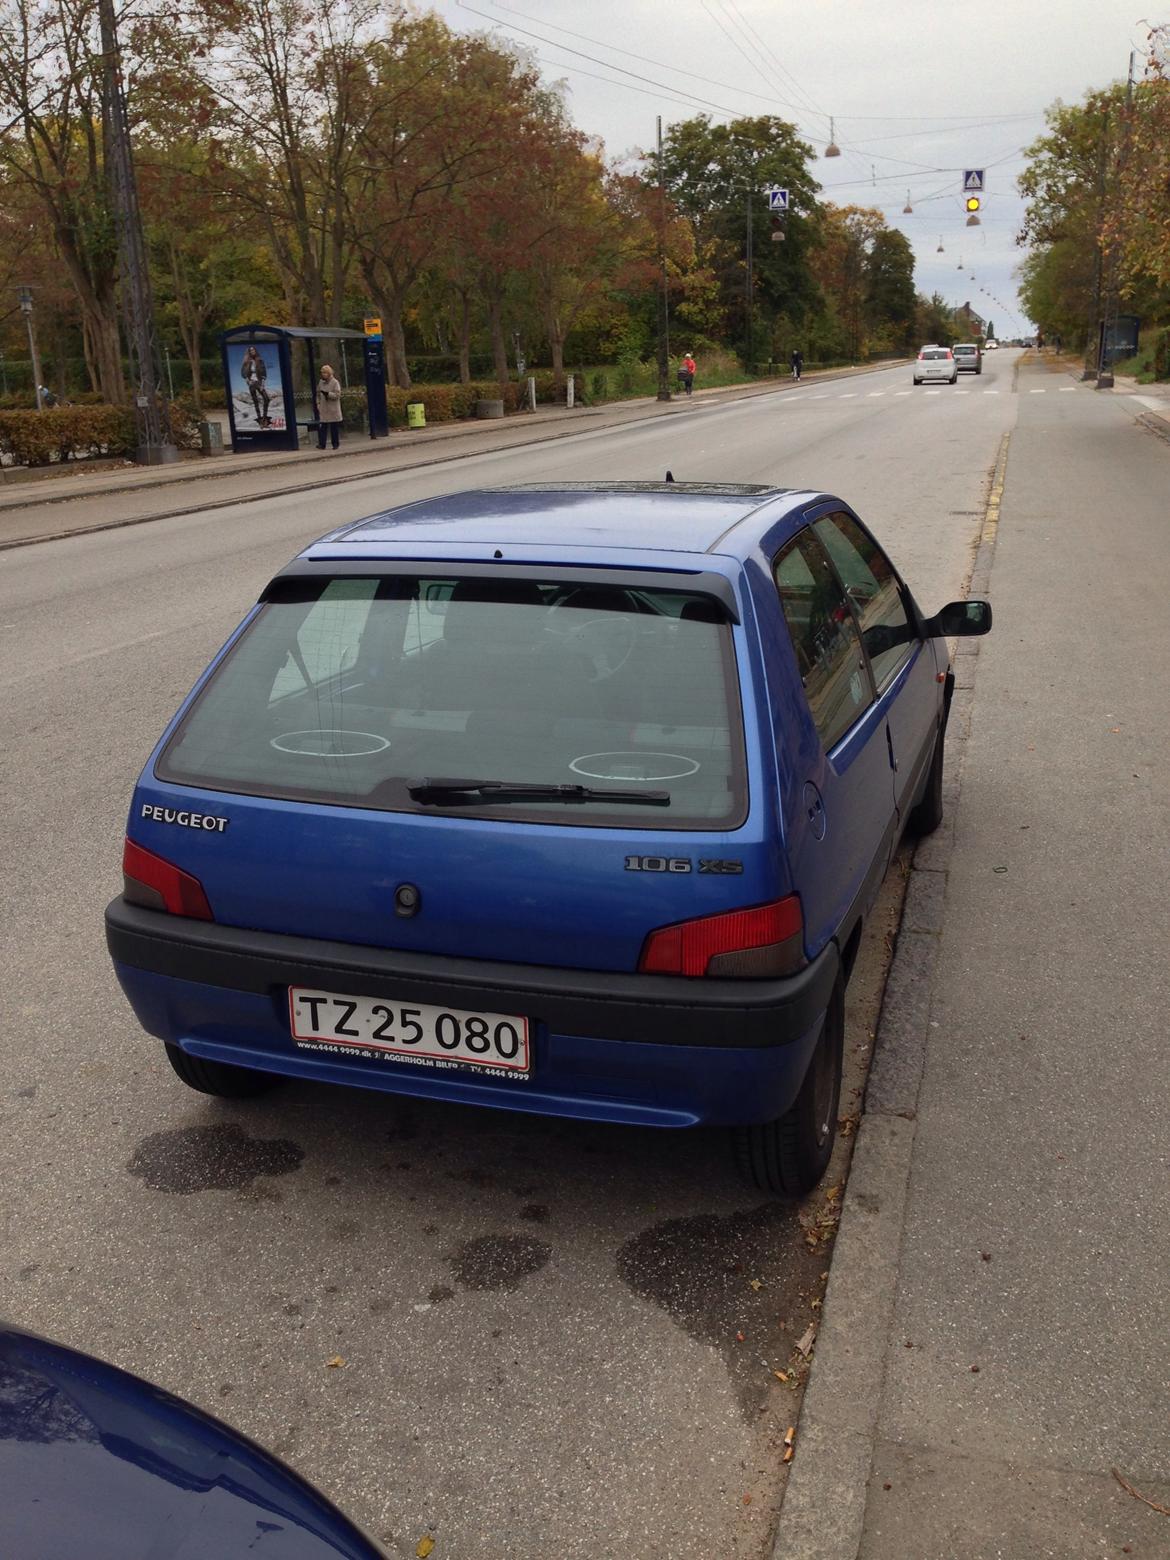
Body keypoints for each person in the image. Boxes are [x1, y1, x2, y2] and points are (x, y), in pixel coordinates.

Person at [241, 345, 270, 428]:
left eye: (253, 350)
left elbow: (264, 372)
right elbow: (242, 372)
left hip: (259, 382)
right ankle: (260, 420)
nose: (252, 351)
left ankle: (264, 419)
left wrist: (263, 384)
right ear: (249, 352)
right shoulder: (246, 361)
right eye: (250, 350)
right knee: (255, 401)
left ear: (255, 351)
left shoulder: (260, 360)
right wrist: (247, 379)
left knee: (266, 399)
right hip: (252, 383)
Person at [316, 364, 343, 449]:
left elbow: (337, 395)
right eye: (322, 373)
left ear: (329, 373)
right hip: (324, 408)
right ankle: (322, 444)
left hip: (333, 409)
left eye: (325, 373)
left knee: (333, 427)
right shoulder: (321, 382)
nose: (323, 374)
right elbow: (317, 394)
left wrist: (328, 394)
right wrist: (318, 403)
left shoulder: (335, 382)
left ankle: (335, 444)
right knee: (323, 427)